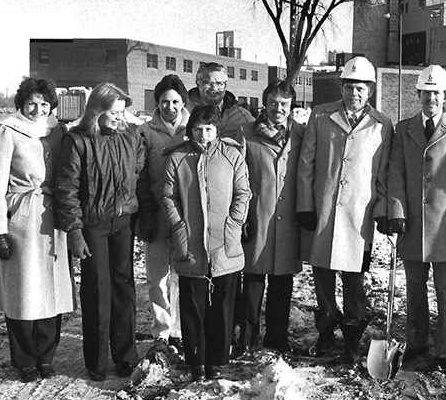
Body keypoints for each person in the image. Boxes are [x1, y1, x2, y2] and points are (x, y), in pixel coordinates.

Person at [296, 57, 393, 362]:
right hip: (324, 214)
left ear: (370, 90)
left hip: (357, 217)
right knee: (323, 281)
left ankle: (352, 338)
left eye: (361, 88)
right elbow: (306, 164)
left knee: (354, 285)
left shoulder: (382, 124)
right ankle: (326, 332)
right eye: (350, 86)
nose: (355, 93)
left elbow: (383, 174)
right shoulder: (321, 116)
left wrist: (383, 211)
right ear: (342, 86)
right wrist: (305, 205)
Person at [388, 64, 446, 370]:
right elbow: (396, 174)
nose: (431, 99)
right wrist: (397, 212)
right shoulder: (403, 130)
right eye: (426, 93)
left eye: (437, 93)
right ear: (418, 94)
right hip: (413, 225)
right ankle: (416, 343)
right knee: (415, 288)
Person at [54, 82, 146, 382]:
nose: (120, 117)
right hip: (93, 226)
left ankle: (125, 356)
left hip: (122, 224)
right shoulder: (78, 141)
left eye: (122, 111)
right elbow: (67, 190)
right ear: (96, 111)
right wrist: (75, 232)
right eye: (113, 112)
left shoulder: (129, 137)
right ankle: (96, 361)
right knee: (97, 291)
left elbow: (138, 172)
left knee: (124, 288)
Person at [161, 104, 251, 382]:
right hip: (192, 246)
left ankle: (218, 359)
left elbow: (243, 193)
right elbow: (169, 196)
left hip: (224, 245)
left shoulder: (232, 156)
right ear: (190, 131)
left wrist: (233, 226)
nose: (203, 134)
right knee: (193, 306)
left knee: (223, 305)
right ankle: (196, 360)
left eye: (209, 128)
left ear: (217, 130)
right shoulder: (178, 159)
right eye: (198, 129)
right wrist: (179, 227)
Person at [0, 77, 73, 382]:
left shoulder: (57, 131)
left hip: (53, 218)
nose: (38, 109)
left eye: (44, 103)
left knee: (51, 292)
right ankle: (25, 360)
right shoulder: (8, 131)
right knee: (23, 292)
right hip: (23, 218)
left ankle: (46, 356)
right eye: (32, 103)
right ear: (21, 104)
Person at [235, 79, 305, 357]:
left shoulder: (300, 133)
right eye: (273, 102)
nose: (278, 108)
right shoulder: (246, 133)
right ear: (265, 103)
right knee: (253, 281)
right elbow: (239, 178)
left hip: (287, 219)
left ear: (291, 106)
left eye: (284, 104)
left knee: (282, 283)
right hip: (258, 215)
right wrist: (241, 217)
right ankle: (247, 337)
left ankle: (277, 336)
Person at [136, 74, 190, 355]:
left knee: (180, 274)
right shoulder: (146, 131)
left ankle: (179, 329)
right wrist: (144, 212)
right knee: (157, 277)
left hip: (183, 214)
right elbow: (140, 174)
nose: (170, 107)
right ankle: (162, 330)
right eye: (165, 101)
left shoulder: (192, 128)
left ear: (183, 103)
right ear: (157, 103)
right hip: (156, 213)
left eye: (176, 102)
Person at [186, 61, 254, 140]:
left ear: (226, 85)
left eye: (219, 84)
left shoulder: (242, 116)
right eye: (207, 83)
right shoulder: (184, 111)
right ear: (198, 83)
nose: (214, 88)